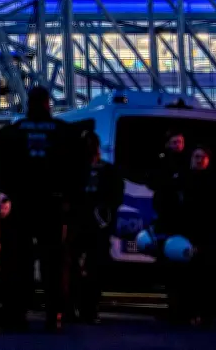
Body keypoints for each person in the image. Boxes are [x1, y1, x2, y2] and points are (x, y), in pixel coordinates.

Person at [0, 86, 76, 332]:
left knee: (18, 260)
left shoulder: (12, 133)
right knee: (54, 261)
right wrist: (69, 197)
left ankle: (17, 311)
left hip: (21, 205)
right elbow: (79, 167)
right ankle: (54, 313)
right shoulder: (64, 133)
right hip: (52, 205)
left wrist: (5, 190)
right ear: (48, 103)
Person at [152, 145, 216, 326]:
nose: (199, 159)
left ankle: (205, 314)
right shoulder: (180, 179)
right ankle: (180, 312)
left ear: (208, 160)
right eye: (196, 156)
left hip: (208, 238)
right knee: (180, 277)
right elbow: (163, 200)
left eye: (202, 156)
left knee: (207, 278)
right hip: (183, 236)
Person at [68, 131, 124, 324]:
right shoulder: (77, 170)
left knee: (92, 269)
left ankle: (86, 308)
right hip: (84, 226)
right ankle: (81, 308)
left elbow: (116, 197)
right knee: (79, 269)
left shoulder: (104, 171)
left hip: (93, 227)